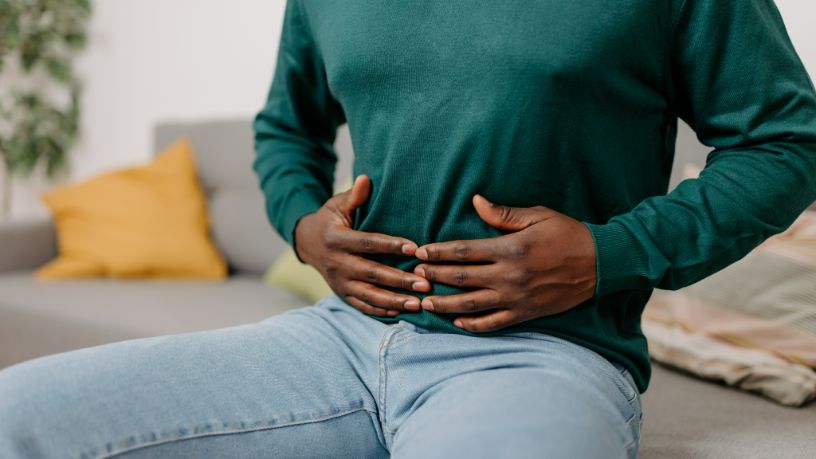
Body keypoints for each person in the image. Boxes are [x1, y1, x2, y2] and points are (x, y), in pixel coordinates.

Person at [1, 1, 815, 457]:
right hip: (336, 343)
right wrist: (303, 228)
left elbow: (787, 142)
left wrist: (613, 252)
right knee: (16, 413)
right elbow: (287, 127)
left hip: (545, 354)